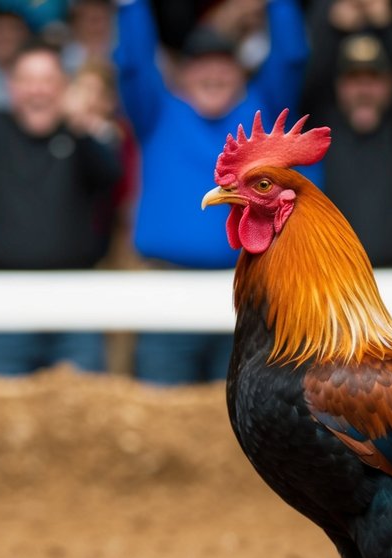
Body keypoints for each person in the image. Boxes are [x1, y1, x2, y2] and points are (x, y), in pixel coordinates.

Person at [114, 0, 312, 384]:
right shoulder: (156, 112)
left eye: (224, 64)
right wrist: (130, 6)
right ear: (183, 74)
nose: (213, 74)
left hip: (247, 291)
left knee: (239, 415)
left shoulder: (262, 112)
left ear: (241, 72)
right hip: (166, 293)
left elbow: (291, 57)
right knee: (164, 413)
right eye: (201, 64)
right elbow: (135, 63)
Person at [0, 33, 124, 376]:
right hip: (3, 305)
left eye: (48, 81)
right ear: (10, 86)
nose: (38, 90)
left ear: (64, 88)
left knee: (86, 423)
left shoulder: (80, 138)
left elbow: (111, 175)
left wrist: (80, 126)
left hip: (75, 304)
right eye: (27, 81)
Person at [305, 0, 392, 269]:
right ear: (337, 85)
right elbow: (308, 79)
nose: (363, 88)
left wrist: (388, 26)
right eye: (353, 79)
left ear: (391, 84)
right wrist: (331, 28)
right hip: (335, 271)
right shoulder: (322, 126)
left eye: (374, 78)